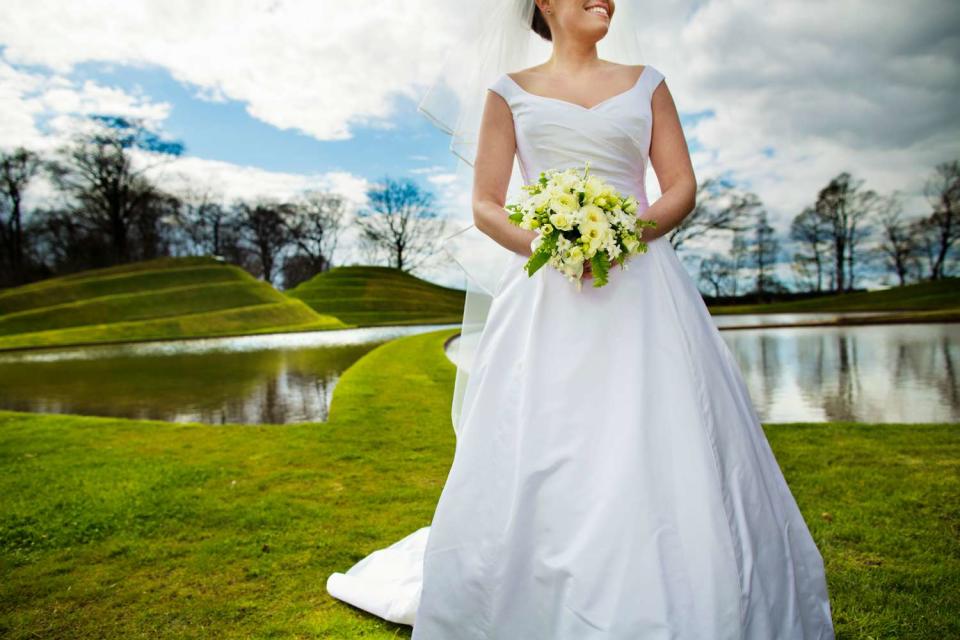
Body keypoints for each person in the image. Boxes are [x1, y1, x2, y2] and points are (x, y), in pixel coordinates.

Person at [328, 1, 837, 638]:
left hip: (645, 288)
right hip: (548, 290)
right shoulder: (508, 93)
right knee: (550, 434)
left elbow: (679, 185)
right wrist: (557, 246)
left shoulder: (647, 83)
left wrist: (622, 235)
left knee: (663, 427)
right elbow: (486, 204)